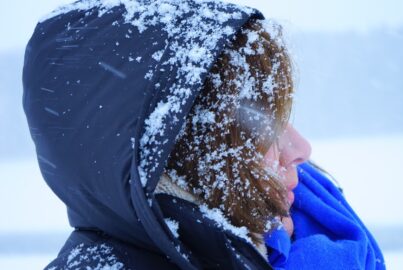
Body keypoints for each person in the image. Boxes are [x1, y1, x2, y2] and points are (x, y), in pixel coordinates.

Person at [22, 0, 384, 269]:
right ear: (177, 161)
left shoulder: (312, 231)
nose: (302, 149)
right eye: (259, 129)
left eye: (282, 117)